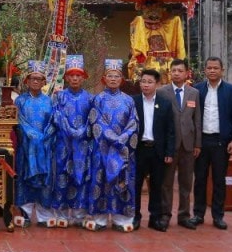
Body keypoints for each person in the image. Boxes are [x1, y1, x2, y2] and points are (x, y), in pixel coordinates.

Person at [189, 56, 232, 230]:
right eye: (209, 68)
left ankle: (218, 216)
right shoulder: (196, 90)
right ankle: (198, 214)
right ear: (204, 70)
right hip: (201, 142)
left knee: (220, 180)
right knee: (200, 179)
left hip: (221, 142)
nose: (212, 71)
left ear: (222, 70)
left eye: (215, 68)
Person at [85, 59, 138, 232]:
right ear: (104, 78)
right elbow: (95, 121)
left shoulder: (129, 100)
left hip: (123, 150)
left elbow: (133, 122)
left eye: (116, 76)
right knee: (100, 181)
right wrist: (111, 137)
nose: (113, 79)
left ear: (122, 79)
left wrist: (122, 138)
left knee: (122, 182)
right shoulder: (97, 99)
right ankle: (99, 218)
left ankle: (121, 219)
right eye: (110, 76)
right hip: (102, 149)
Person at [158, 58, 203, 229]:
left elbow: (197, 120)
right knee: (166, 183)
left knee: (186, 182)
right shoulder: (162, 92)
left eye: (180, 71)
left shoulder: (194, 93)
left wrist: (198, 144)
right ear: (170, 72)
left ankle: (184, 215)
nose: (176, 73)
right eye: (174, 70)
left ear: (186, 73)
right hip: (170, 146)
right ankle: (165, 215)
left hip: (188, 145)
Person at [48, 54, 92, 228]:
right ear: (66, 77)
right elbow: (56, 115)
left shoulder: (90, 98)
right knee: (61, 175)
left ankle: (79, 213)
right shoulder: (59, 96)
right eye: (71, 75)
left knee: (80, 177)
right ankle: (61, 213)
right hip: (63, 143)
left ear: (83, 78)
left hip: (81, 144)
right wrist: (69, 129)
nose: (74, 78)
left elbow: (92, 119)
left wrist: (82, 131)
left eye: (78, 75)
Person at [13, 61, 55, 228]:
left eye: (39, 79)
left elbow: (54, 121)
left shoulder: (50, 101)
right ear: (27, 81)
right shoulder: (20, 101)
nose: (36, 81)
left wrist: (46, 137)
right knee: (25, 177)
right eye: (33, 78)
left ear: (44, 82)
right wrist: (32, 136)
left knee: (44, 179)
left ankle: (44, 214)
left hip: (45, 146)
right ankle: (25, 213)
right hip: (27, 146)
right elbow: (19, 120)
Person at [133, 68, 175, 231]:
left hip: (157, 150)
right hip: (139, 149)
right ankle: (135, 217)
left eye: (150, 82)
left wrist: (169, 152)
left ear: (157, 84)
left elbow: (170, 130)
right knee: (136, 185)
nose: (146, 85)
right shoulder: (134, 101)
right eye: (143, 81)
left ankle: (155, 218)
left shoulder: (164, 103)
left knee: (157, 185)